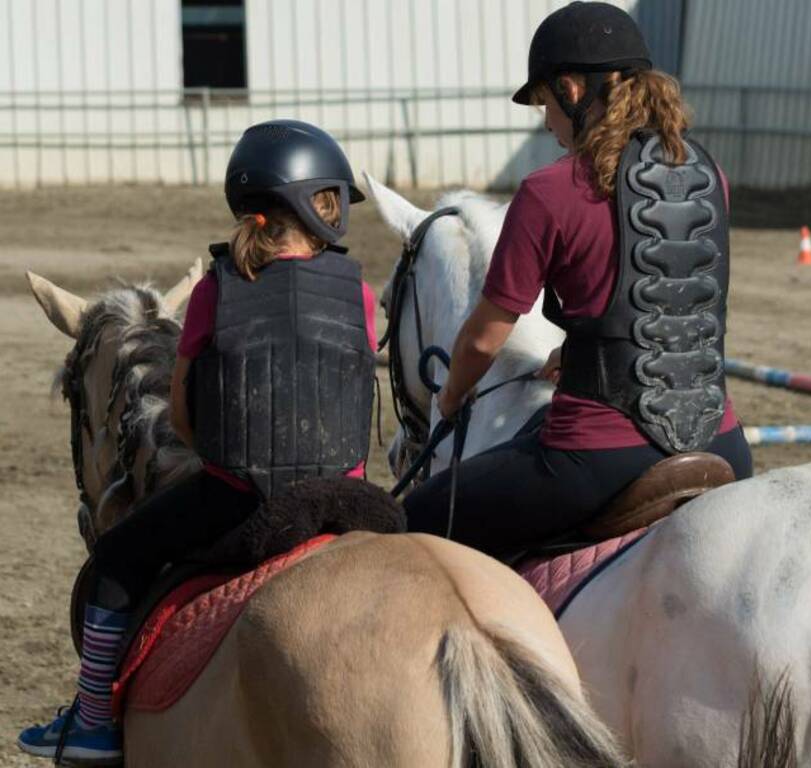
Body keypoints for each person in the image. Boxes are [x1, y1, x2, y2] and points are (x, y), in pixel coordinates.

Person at [18, 119, 377, 763]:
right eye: (329, 199)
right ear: (305, 203)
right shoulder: (359, 291)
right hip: (345, 501)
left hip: (242, 504)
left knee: (114, 561)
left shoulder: (217, 289)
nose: (335, 212)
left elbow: (182, 416)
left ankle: (95, 720)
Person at [403, 2, 752, 555]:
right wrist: (580, 351)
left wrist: (449, 397)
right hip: (725, 445)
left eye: (545, 104)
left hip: (596, 459)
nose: (546, 123)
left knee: (411, 524)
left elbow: (484, 338)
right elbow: (668, 299)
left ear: (570, 89)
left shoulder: (549, 191)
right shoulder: (713, 176)